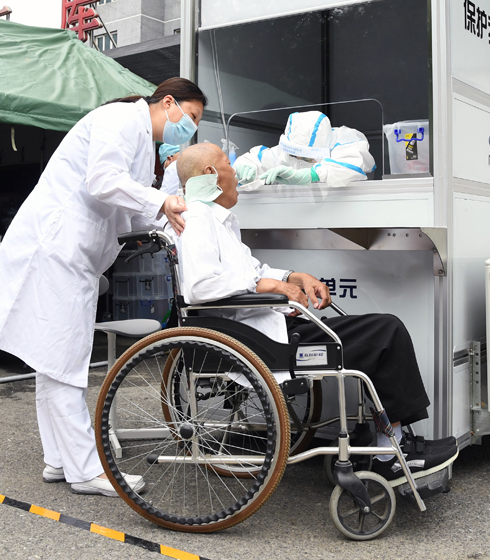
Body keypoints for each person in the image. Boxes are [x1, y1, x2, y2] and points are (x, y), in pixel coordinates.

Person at [0, 78, 206, 497]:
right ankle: (87, 471)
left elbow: (128, 214)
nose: (190, 128)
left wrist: (166, 214)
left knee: (52, 360)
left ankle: (59, 460)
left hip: (71, 259)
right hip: (58, 254)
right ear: (168, 103)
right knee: (66, 362)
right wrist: (159, 203)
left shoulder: (141, 143)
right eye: (191, 117)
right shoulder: (119, 119)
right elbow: (101, 181)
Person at [176, 143, 458, 486]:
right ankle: (389, 454)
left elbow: (253, 270)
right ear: (210, 174)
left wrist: (294, 277)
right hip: (255, 340)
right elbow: (201, 287)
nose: (235, 174)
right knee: (385, 333)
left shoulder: (220, 222)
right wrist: (270, 287)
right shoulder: (197, 220)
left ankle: (389, 442)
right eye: (229, 167)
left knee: (382, 330)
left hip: (269, 328)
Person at [233, 110, 375, 188]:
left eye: (306, 157)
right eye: (295, 155)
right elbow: (258, 159)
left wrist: (312, 174)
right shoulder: (286, 152)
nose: (299, 160)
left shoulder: (345, 140)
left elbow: (351, 166)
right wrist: (244, 169)